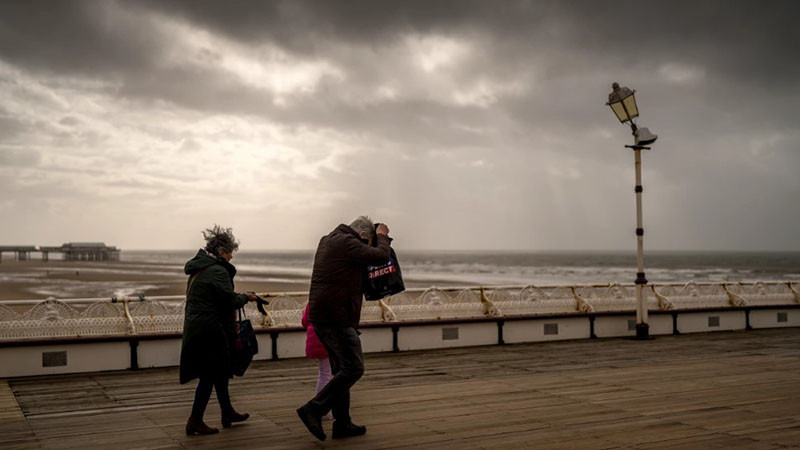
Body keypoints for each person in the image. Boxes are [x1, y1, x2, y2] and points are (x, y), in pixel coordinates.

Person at [296, 216, 392, 441]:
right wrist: (382, 237)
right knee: (354, 368)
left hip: (325, 316)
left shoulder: (329, 240)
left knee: (341, 369)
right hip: (335, 318)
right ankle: (314, 409)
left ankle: (343, 424)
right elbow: (381, 256)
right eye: (366, 243)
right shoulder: (346, 242)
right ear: (362, 236)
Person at [180, 225, 257, 436]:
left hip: (199, 327)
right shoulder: (217, 270)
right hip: (210, 330)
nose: (232, 257)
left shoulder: (201, 268)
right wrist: (246, 298)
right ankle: (195, 420)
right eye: (230, 252)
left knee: (219, 371)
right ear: (222, 251)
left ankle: (227, 412)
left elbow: (216, 297)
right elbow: (228, 300)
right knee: (209, 375)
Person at [301, 302, 333, 420]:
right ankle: (321, 409)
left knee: (324, 373)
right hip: (327, 339)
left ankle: (323, 408)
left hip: (315, 338)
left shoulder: (313, 300)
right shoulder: (332, 298)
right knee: (328, 375)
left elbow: (304, 321)